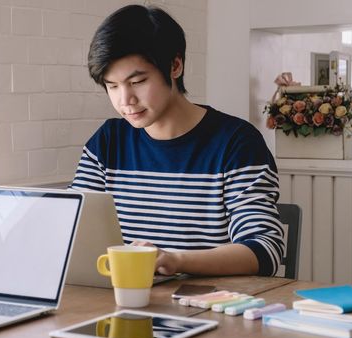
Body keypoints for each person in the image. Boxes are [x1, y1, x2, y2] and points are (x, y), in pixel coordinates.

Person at [71, 5, 285, 277]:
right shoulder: (108, 141)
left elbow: (264, 249)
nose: (125, 101)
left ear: (175, 65)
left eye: (137, 82)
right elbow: (72, 228)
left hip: (209, 307)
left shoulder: (236, 143)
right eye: (112, 86)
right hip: (126, 301)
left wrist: (176, 261)